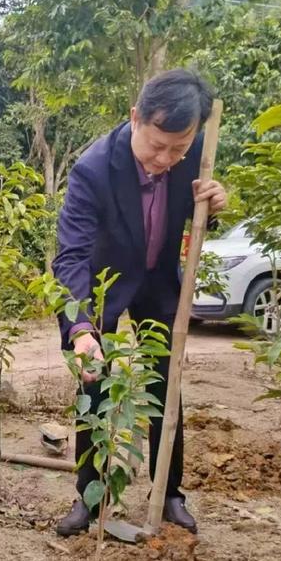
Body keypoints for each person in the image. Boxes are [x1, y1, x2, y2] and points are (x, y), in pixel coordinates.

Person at [52, 69, 227, 537]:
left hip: (157, 285)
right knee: (94, 385)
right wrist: (82, 330)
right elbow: (69, 257)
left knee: (165, 386)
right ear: (135, 118)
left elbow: (195, 222)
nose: (165, 159)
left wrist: (213, 204)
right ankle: (88, 499)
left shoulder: (193, 161)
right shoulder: (93, 169)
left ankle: (169, 493)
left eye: (178, 148)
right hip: (103, 284)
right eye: (156, 146)